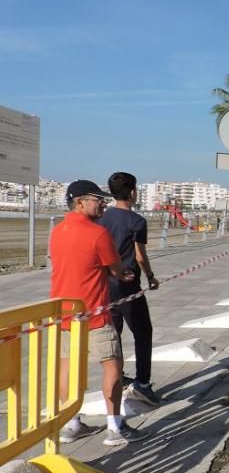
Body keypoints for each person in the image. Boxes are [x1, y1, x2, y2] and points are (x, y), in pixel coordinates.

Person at [50, 180, 148, 446]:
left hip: (64, 314)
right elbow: (116, 269)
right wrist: (124, 274)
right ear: (80, 202)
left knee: (67, 368)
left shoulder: (57, 231)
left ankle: (70, 425)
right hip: (95, 314)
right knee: (113, 367)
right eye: (97, 199)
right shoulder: (97, 233)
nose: (102, 202)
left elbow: (80, 265)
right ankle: (114, 428)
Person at [98, 172, 160, 407]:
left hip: (105, 285)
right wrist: (151, 277)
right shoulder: (137, 221)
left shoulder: (101, 218)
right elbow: (139, 256)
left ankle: (119, 377)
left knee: (114, 334)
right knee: (143, 332)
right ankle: (142, 384)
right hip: (127, 284)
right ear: (133, 192)